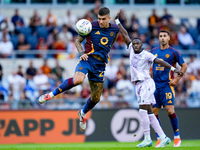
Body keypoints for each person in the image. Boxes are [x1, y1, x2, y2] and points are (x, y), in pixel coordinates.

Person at [38, 7, 119, 131]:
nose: (101, 21)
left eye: (103, 19)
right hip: (87, 60)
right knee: (78, 80)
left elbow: (110, 43)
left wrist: (106, 51)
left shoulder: (115, 29)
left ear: (109, 18)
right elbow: (77, 41)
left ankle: (82, 112)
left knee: (96, 98)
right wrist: (82, 53)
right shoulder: (90, 26)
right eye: (99, 19)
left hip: (100, 66)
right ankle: (50, 95)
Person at [115, 9, 184, 148]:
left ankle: (148, 138)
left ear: (142, 45)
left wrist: (173, 69)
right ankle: (163, 137)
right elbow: (124, 34)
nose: (134, 45)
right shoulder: (130, 49)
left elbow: (159, 61)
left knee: (142, 110)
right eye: (133, 44)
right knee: (150, 111)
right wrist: (117, 21)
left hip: (147, 83)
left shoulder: (147, 54)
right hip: (138, 85)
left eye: (137, 44)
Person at [151, 30, 187, 147]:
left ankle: (177, 137)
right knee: (154, 112)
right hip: (155, 86)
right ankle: (159, 138)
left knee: (170, 110)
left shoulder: (173, 52)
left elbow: (184, 66)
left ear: (168, 38)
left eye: (164, 36)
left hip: (167, 85)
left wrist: (176, 79)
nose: (162, 38)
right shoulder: (153, 51)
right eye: (160, 36)